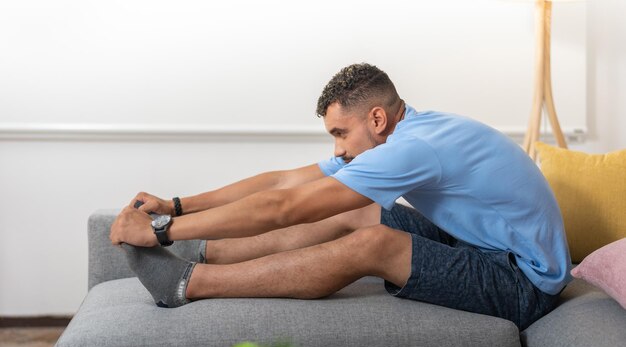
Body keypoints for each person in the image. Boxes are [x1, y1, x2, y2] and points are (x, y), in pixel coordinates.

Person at [110, 63, 571, 330]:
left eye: (339, 133)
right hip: (478, 246)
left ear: (375, 119)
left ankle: (186, 283)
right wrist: (177, 207)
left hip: (523, 283)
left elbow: (285, 209)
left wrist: (161, 232)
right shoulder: (406, 133)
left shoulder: (414, 148)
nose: (337, 148)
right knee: (367, 209)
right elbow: (283, 183)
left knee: (374, 242)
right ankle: (205, 252)